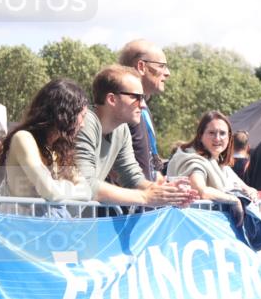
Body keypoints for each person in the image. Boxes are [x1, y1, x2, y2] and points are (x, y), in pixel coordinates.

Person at [75, 65, 194, 206]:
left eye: (143, 98)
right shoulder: (85, 123)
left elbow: (132, 178)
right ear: (112, 99)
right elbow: (85, 184)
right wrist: (146, 197)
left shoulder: (122, 129)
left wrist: (167, 191)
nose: (143, 105)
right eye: (137, 97)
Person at [0, 79, 91, 214]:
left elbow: (87, 192)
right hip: (19, 224)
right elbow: (49, 191)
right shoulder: (23, 138)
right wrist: (68, 186)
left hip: (45, 224)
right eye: (82, 116)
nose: (83, 124)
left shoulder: (58, 150)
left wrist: (58, 188)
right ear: (65, 114)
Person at [166, 111, 258, 210]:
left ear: (229, 137)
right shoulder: (193, 161)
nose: (217, 138)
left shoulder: (218, 162)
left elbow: (244, 187)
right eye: (211, 133)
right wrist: (234, 200)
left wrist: (251, 191)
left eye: (222, 133)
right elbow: (200, 191)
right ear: (200, 135)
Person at [118, 39, 171, 182]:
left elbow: (147, 163)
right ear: (141, 66)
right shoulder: (121, 110)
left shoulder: (143, 108)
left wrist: (165, 184)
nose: (168, 73)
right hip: (130, 194)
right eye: (161, 66)